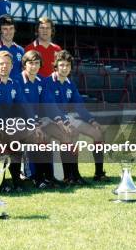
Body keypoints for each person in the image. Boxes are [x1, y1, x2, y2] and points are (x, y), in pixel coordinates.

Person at [42, 50, 109, 184]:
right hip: (49, 119)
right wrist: (65, 122)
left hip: (66, 118)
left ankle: (99, 173)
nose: (64, 68)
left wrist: (92, 120)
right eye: (61, 65)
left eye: (67, 65)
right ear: (55, 66)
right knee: (70, 133)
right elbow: (50, 107)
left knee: (97, 134)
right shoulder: (47, 82)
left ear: (71, 67)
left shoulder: (70, 84)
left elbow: (79, 106)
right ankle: (69, 176)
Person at [0, 51, 40, 192]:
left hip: (8, 125)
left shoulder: (14, 84)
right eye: (1, 64)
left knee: (20, 139)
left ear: (12, 66)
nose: (4, 67)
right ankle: (0, 181)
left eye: (7, 64)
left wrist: (33, 124)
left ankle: (17, 179)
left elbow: (24, 104)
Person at [18, 50, 69, 189]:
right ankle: (36, 177)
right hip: (20, 121)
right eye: (30, 63)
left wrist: (60, 121)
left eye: (36, 63)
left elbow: (49, 103)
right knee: (37, 136)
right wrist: (34, 123)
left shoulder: (41, 81)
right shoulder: (17, 81)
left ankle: (49, 176)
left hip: (37, 121)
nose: (33, 66)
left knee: (50, 133)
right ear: (24, 65)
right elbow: (22, 106)